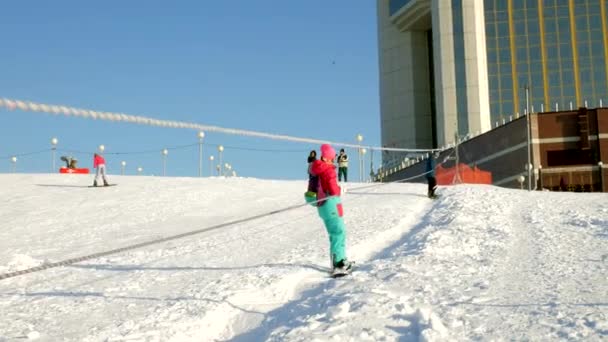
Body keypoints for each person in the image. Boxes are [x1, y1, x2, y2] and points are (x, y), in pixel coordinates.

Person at [310, 144, 352, 275]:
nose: (334, 160)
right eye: (333, 158)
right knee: (338, 232)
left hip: (322, 206)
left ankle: (339, 260)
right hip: (331, 204)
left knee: (334, 233)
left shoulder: (316, 168)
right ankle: (338, 263)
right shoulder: (328, 170)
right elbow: (334, 190)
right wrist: (341, 190)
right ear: (328, 158)